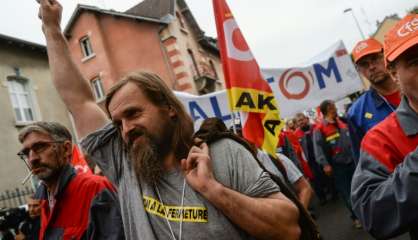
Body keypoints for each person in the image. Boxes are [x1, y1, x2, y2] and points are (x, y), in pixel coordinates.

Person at [36, 1, 301, 240]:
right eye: (118, 123)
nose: (126, 129)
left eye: (133, 113)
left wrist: (214, 190)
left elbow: (288, 228)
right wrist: (51, 27)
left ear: (168, 108)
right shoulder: (124, 164)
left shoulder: (223, 154)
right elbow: (78, 100)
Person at [351, 14, 418, 239]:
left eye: (375, 59)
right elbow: (371, 212)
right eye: (415, 62)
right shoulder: (370, 130)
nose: (371, 67)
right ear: (394, 73)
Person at [17, 122, 124, 240]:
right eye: (26, 153)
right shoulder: (44, 200)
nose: (32, 159)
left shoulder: (95, 188)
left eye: (40, 147)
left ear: (66, 149)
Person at [347, 38, 401, 163]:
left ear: (386, 56)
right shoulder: (356, 113)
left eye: (375, 59)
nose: (371, 67)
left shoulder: (412, 86)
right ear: (359, 70)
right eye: (364, 64)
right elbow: (363, 164)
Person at [313, 100, 361, 228]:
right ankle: (356, 217)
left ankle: (365, 212)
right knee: (346, 192)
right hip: (337, 166)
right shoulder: (319, 128)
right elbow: (318, 149)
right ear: (327, 110)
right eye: (332, 107)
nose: (335, 109)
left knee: (359, 188)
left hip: (352, 160)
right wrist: (325, 165)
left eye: (334, 107)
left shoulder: (341, 122)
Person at [294, 113, 333, 205]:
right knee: (315, 180)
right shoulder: (296, 134)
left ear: (306, 119)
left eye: (302, 119)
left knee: (327, 176)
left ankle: (333, 192)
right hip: (309, 161)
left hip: (320, 157)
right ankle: (322, 197)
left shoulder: (315, 127)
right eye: (299, 121)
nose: (301, 122)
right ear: (297, 123)